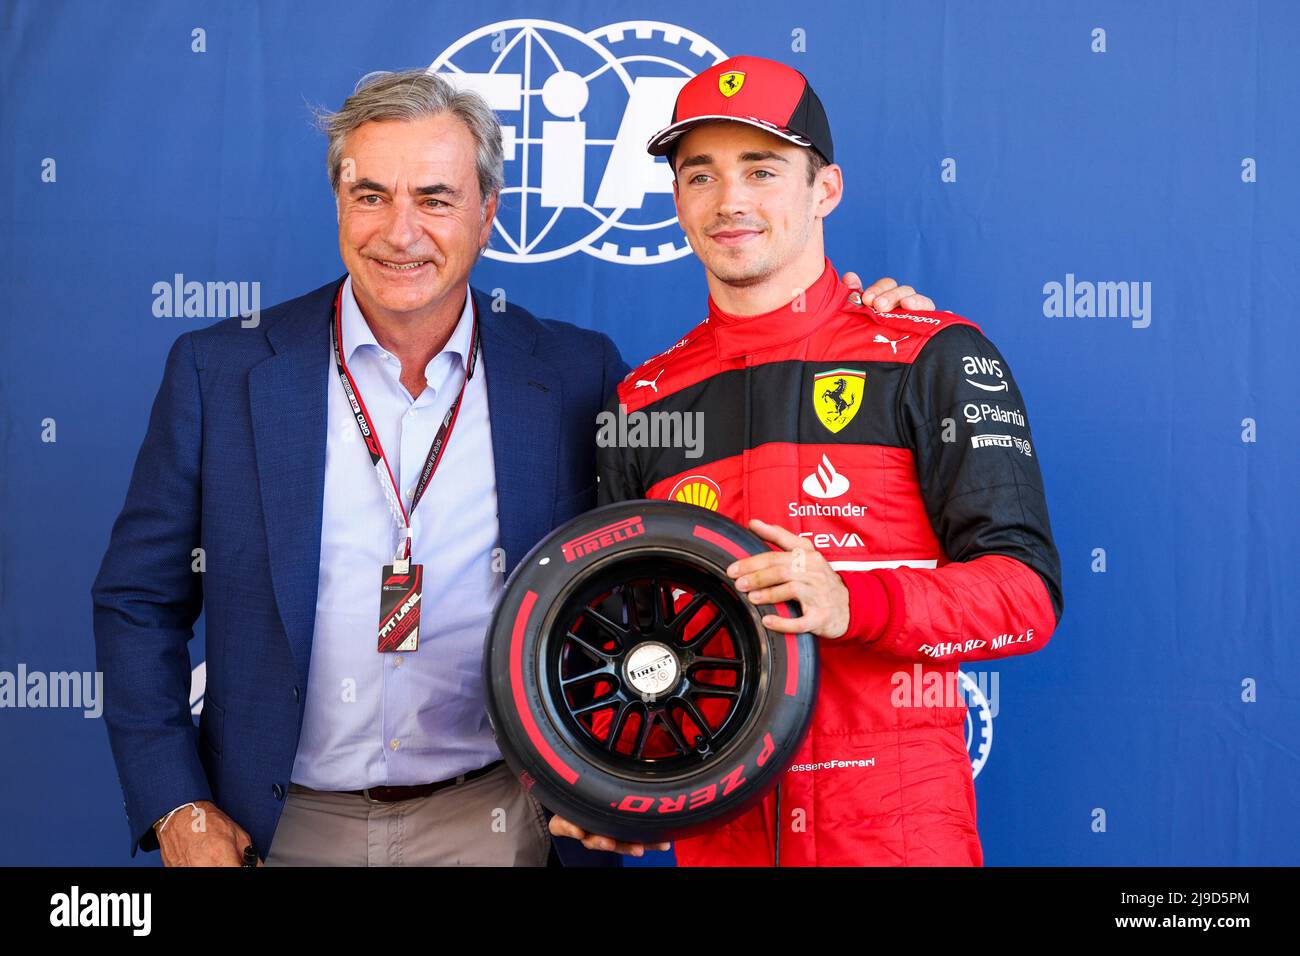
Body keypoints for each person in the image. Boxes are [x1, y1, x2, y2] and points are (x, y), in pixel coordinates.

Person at [91, 68, 932, 866]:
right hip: (280, 824)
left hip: (505, 824)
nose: (400, 232)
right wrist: (176, 805)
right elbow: (137, 601)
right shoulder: (222, 370)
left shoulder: (577, 373)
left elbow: (649, 584)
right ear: (340, 203)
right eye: (370, 196)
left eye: (435, 199)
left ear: (488, 214)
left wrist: (852, 328)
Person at [550, 55, 1064, 865]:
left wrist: (852, 602)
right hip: (720, 833)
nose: (731, 202)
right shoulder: (641, 403)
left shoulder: (934, 355)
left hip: (896, 833)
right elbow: (626, 638)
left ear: (824, 189)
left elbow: (1025, 597)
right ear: (678, 200)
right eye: (701, 175)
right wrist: (613, 789)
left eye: (763, 169)